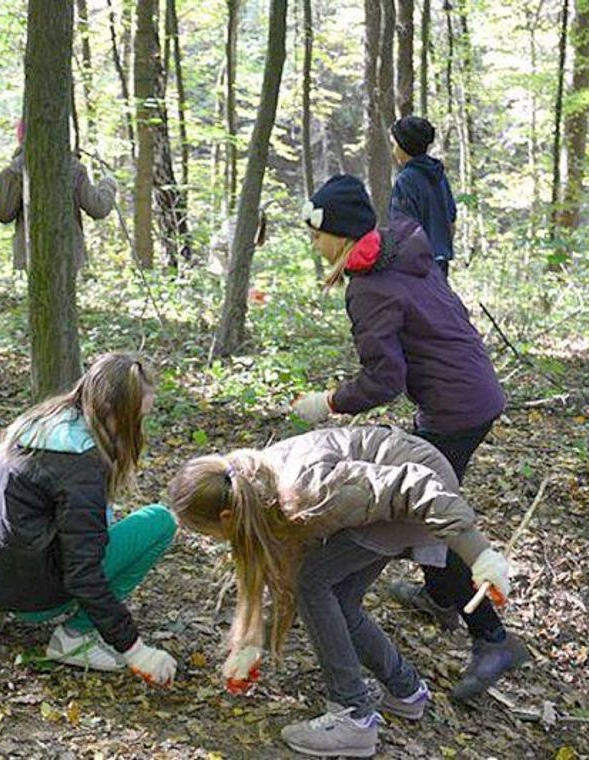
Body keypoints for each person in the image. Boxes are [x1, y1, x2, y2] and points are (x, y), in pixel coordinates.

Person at [291, 175, 525, 701]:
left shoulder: (369, 287)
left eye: (317, 234)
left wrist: (328, 403)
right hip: (472, 390)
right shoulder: (399, 249)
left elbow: (384, 380)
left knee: (428, 514)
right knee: (426, 507)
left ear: (341, 234)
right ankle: (441, 597)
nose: (314, 243)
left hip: (454, 407)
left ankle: (493, 639)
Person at [167, 425, 512, 758]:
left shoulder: (305, 488)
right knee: (338, 596)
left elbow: (413, 486)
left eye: (208, 533)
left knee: (313, 585)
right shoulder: (254, 489)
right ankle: (405, 690)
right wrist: (252, 644)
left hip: (422, 492)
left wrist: (479, 554)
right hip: (392, 497)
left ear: (227, 516)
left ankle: (352, 715)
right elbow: (283, 574)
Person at [0, 353, 178, 686]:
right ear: (114, 412)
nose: (140, 428)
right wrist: (135, 650)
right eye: (137, 418)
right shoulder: (81, 464)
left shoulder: (39, 421)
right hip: (33, 598)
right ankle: (74, 637)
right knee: (159, 521)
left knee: (96, 518)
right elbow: (83, 575)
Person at [0, 119, 116, 273]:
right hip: (67, 255)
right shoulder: (71, 166)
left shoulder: (14, 170)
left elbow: (2, 214)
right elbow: (98, 207)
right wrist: (108, 183)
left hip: (31, 255)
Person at [388, 116, 457, 279]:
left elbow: (402, 230)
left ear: (404, 146)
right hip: (440, 261)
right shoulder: (438, 174)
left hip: (417, 267)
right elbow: (451, 222)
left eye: (395, 145)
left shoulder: (405, 180)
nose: (393, 151)